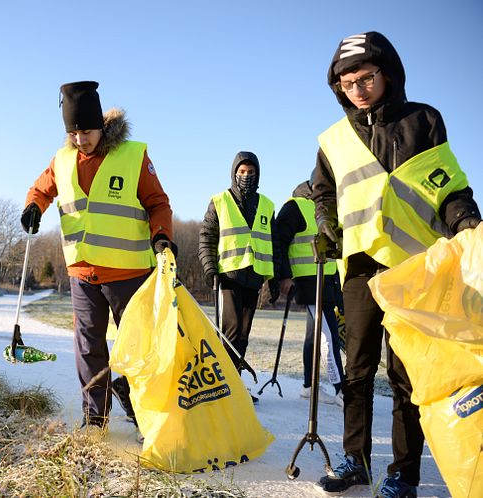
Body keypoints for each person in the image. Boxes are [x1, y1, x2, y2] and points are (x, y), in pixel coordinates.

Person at [311, 32, 480, 497]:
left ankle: (404, 472)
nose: (359, 88)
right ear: (338, 87)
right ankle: (356, 460)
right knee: (358, 370)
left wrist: (467, 223)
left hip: (417, 271)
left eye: (367, 77)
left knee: (408, 374)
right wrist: (327, 227)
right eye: (348, 82)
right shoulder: (333, 140)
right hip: (362, 268)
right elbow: (322, 192)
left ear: (387, 73)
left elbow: (448, 188)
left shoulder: (423, 120)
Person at [21, 81, 176, 430]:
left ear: (101, 126)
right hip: (83, 273)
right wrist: (33, 207)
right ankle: (95, 420)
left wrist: (162, 236)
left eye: (86, 131)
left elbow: (158, 203)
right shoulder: (61, 160)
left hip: (129, 273)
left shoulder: (133, 155)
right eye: (73, 132)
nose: (80, 139)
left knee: (139, 349)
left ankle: (148, 417)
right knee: (89, 348)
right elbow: (40, 189)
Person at [198, 151, 279, 404]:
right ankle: (222, 386)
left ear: (257, 175)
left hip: (254, 278)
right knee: (230, 333)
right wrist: (210, 268)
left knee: (243, 335)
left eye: (251, 172)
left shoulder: (266, 205)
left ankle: (233, 383)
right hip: (228, 278)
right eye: (242, 172)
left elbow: (273, 243)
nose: (246, 176)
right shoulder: (220, 201)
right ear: (234, 173)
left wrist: (275, 279)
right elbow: (207, 237)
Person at [274, 179, 345, 407]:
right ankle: (341, 389)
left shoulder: (329, 209)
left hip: (328, 282)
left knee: (314, 337)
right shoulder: (295, 206)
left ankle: (308, 386)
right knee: (328, 337)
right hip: (308, 283)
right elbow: (278, 242)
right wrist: (283, 276)